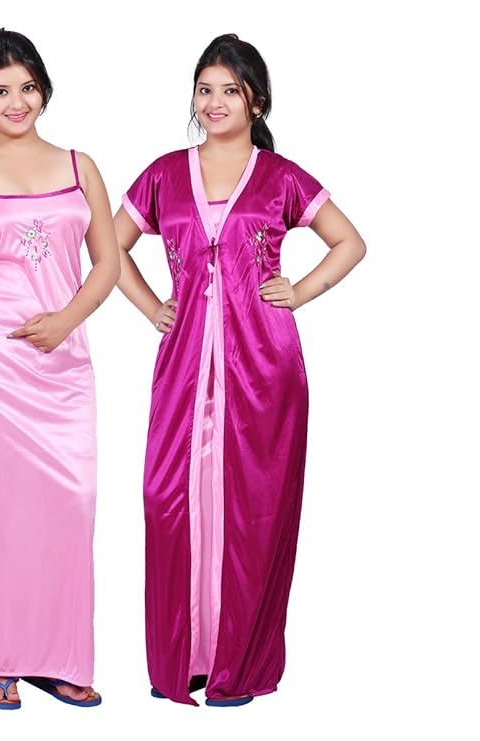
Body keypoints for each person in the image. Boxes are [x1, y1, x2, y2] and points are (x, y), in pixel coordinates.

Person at [113, 33, 366, 707]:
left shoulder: (281, 177)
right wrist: (152, 306)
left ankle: (238, 664)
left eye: (230, 89)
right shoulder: (164, 174)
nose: (215, 101)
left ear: (256, 100)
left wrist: (299, 290)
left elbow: (350, 242)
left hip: (264, 366)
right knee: (169, 501)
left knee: (253, 510)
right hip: (183, 366)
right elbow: (106, 245)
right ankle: (184, 659)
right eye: (205, 89)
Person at [0, 28, 119, 710]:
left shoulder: (80, 166)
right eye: (0, 90)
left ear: (44, 91)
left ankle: (58, 655)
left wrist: (67, 319)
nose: (16, 101)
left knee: (71, 504)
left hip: (63, 365)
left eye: (27, 87)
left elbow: (108, 263)